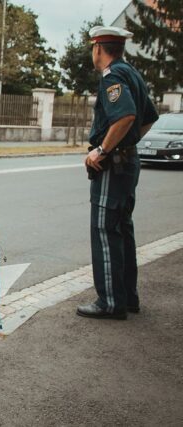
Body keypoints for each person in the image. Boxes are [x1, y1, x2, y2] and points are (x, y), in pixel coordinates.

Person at [76, 26, 159, 320]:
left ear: (99, 48)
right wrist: (129, 141)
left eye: (93, 48)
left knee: (105, 230)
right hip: (129, 163)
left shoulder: (112, 76)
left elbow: (126, 116)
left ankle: (110, 301)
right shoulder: (132, 73)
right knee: (122, 230)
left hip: (113, 166)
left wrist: (103, 149)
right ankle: (127, 296)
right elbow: (148, 117)